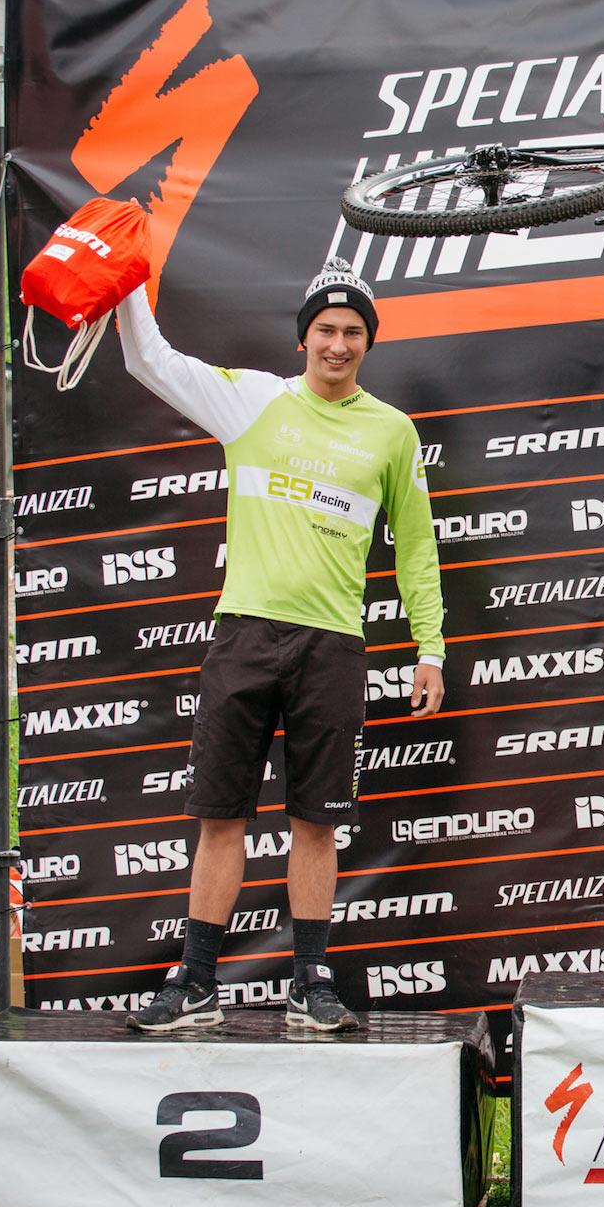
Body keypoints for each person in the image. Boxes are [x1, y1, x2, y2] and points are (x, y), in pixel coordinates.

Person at [116, 258, 445, 1033]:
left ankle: (310, 980)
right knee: (220, 816)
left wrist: (429, 646)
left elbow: (417, 549)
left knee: (316, 823)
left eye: (353, 332)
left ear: (368, 342)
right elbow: (148, 360)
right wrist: (128, 276)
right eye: (326, 330)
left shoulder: (392, 430)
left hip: (333, 644)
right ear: (304, 338)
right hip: (245, 632)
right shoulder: (253, 401)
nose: (338, 344)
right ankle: (196, 981)